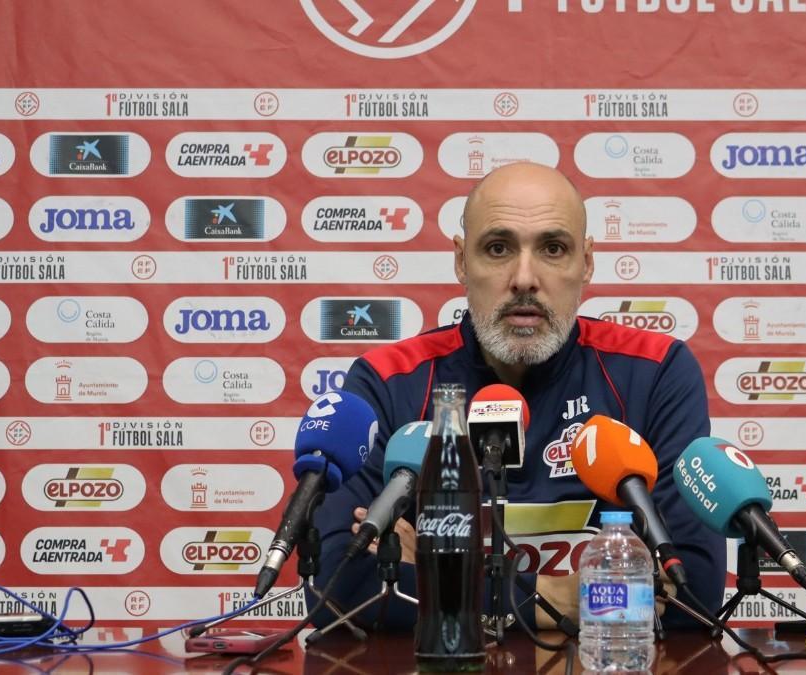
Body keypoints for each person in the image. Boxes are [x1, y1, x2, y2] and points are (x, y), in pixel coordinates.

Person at [309, 162, 724, 631]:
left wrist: (426, 575)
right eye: (498, 248)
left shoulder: (655, 371)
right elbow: (335, 589)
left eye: (552, 248)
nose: (524, 278)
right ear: (462, 261)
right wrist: (553, 597)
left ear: (586, 263)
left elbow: (693, 591)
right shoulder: (388, 380)